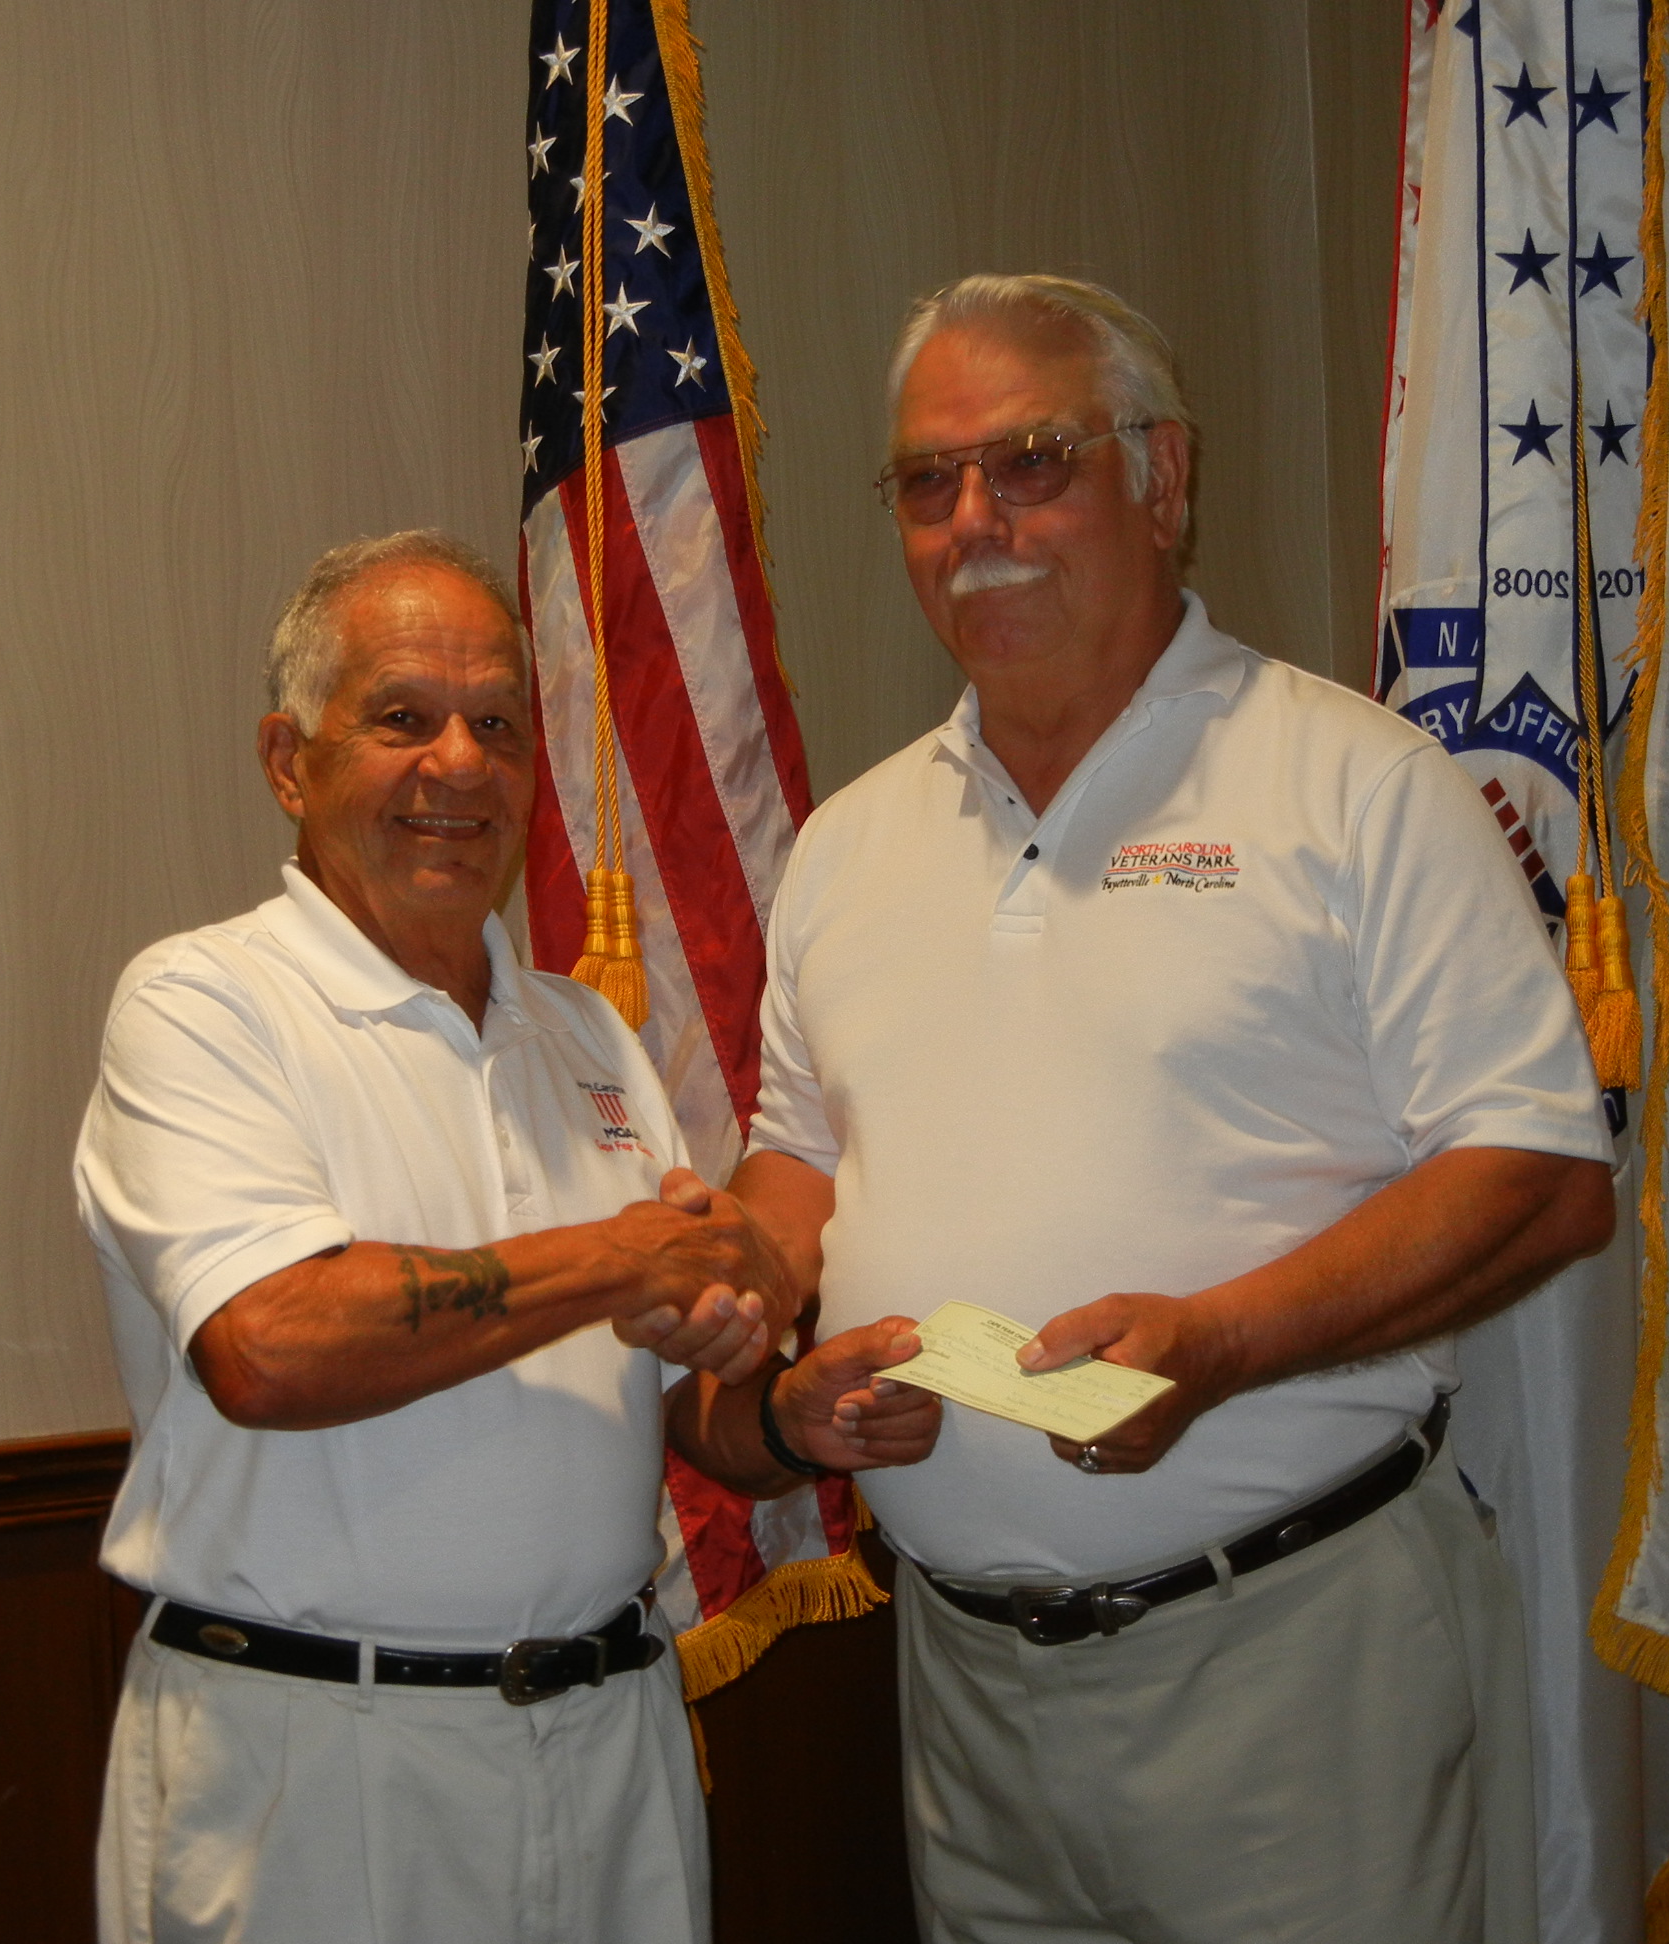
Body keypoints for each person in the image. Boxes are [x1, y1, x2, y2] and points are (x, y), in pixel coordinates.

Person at [673, 277, 1617, 1944]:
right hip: (963, 1688)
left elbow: (1540, 1176)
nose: (976, 520)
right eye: (925, 480)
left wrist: (1222, 1347)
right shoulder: (850, 848)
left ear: (1162, 481)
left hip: (1294, 1662)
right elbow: (803, 1169)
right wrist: (771, 1353)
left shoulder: (1352, 785)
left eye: (1032, 461)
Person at [73, 529, 920, 1944]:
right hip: (320, 1761)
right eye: (402, 719)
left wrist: (785, 1415)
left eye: (497, 726)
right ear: (289, 762)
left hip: (611, 1745)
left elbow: (680, 1408)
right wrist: (620, 1260)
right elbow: (269, 1347)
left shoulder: (583, 1036)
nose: (458, 764)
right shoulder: (206, 1005)